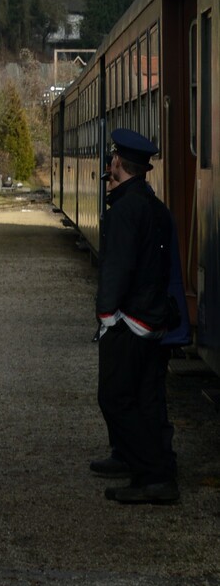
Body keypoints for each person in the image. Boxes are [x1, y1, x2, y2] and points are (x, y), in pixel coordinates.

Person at [91, 127, 179, 505]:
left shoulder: (125, 211)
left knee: (114, 398)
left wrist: (105, 316)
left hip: (130, 321)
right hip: (154, 319)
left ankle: (154, 476)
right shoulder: (154, 207)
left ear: (117, 163)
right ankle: (151, 467)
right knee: (145, 399)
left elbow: (117, 270)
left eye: (112, 159)